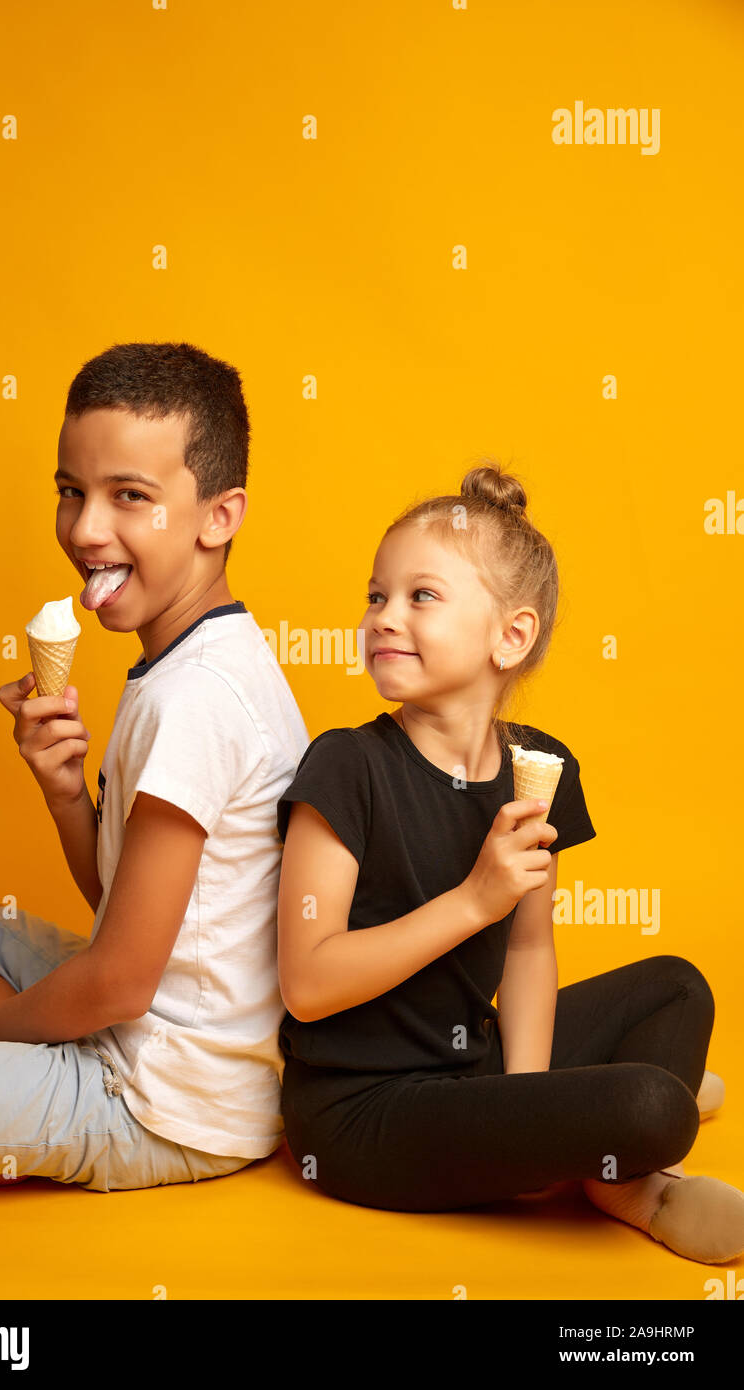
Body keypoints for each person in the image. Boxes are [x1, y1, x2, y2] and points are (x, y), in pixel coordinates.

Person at [275, 461, 744, 1264]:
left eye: (420, 596)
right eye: (376, 595)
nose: (385, 616)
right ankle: (634, 1180)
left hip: (474, 1062)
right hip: (365, 1112)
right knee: (647, 1106)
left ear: (511, 636)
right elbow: (308, 986)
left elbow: (528, 950)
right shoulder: (347, 766)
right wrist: (471, 900)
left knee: (677, 987)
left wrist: (527, 1109)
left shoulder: (539, 769)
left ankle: (585, 1138)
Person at [0, 340, 309, 1199]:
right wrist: (67, 792)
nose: (85, 530)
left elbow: (120, 978)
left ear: (218, 516)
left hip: (161, 1104)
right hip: (164, 1041)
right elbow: (128, 911)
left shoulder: (196, 700)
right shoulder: (189, 660)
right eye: (71, 492)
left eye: (130, 498)